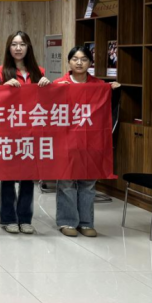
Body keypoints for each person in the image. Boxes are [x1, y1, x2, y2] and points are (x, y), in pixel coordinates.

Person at [0, 31, 51, 235]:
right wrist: (3, 87)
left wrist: (48, 87)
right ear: (9, 48)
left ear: (28, 47)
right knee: (8, 176)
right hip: (8, 132)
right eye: (14, 44)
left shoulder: (39, 72)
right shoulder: (0, 71)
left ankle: (25, 218)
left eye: (22, 44)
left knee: (28, 177)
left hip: (31, 132)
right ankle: (8, 218)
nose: (18, 48)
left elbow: (47, 102)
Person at [53, 45, 120, 238]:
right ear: (69, 62)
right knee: (66, 182)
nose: (79, 63)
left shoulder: (99, 86)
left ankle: (86, 222)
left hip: (90, 142)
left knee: (88, 182)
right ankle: (67, 221)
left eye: (84, 59)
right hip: (65, 141)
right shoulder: (59, 84)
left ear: (90, 62)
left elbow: (108, 112)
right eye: (75, 59)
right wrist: (52, 90)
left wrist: (113, 91)